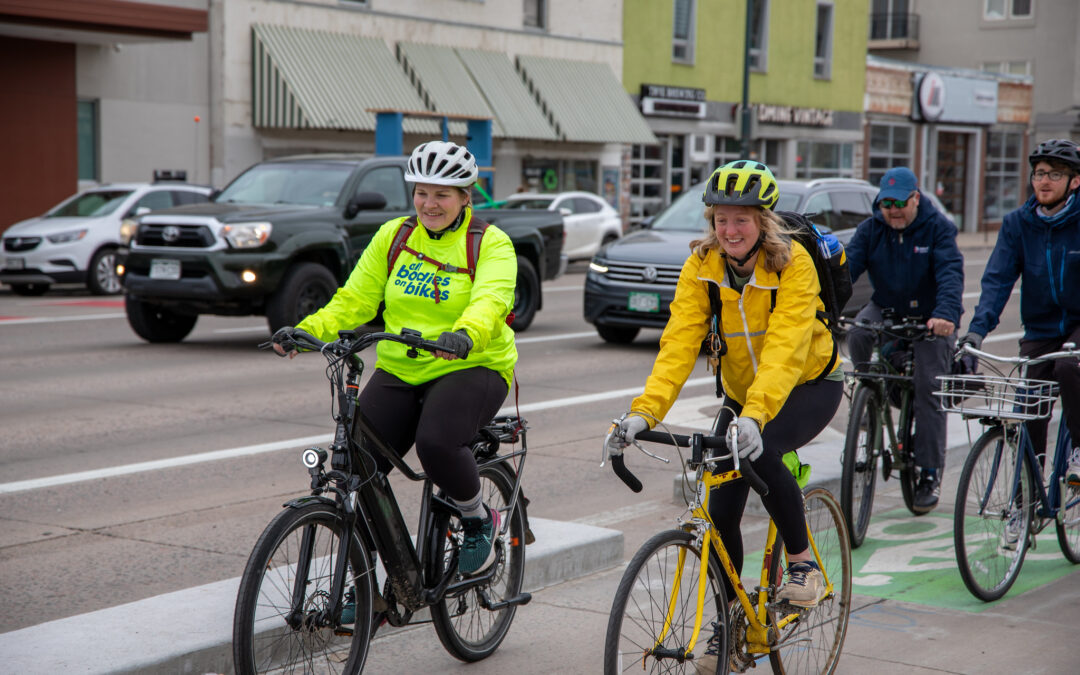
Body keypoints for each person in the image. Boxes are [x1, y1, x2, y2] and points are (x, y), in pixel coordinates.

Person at [603, 160, 845, 673]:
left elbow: (784, 350)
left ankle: (802, 566)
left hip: (809, 384)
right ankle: (732, 624)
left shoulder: (792, 265)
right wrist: (644, 413)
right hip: (742, 395)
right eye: (720, 220)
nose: (729, 231)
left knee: (766, 453)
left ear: (763, 221)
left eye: (742, 220)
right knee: (719, 509)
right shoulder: (702, 266)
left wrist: (756, 417)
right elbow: (678, 343)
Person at [272, 140, 519, 578]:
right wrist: (310, 329)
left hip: (470, 363)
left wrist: (465, 334)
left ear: (466, 196)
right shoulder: (395, 236)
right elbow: (355, 299)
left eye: (443, 194)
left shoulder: (490, 244)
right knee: (357, 464)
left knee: (437, 443)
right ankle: (368, 584)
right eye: (422, 193)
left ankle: (479, 518)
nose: (429, 204)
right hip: (403, 364)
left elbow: (490, 300)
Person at [961, 138, 1080, 499]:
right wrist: (975, 334)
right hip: (1040, 328)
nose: (1044, 181)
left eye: (1055, 174)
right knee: (1028, 407)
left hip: (1079, 325)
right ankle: (1026, 499)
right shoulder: (1018, 224)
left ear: (1075, 181)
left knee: (1068, 367)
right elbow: (997, 281)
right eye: (1039, 173)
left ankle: (1078, 453)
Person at [844, 166, 964, 513]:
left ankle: (929, 473)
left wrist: (945, 316)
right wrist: (821, 306)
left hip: (932, 316)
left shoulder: (938, 228)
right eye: (886, 204)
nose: (893, 211)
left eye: (900, 203)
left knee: (929, 385)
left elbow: (950, 275)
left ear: (916, 198)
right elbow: (847, 270)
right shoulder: (871, 230)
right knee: (858, 333)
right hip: (886, 306)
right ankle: (869, 398)